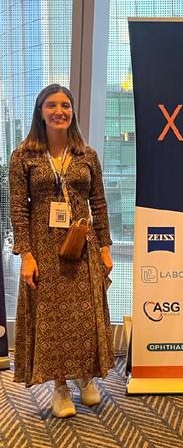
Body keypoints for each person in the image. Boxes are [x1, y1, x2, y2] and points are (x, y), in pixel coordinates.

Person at [9, 84, 114, 418]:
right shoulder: (23, 156)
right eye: (52, 105)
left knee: (85, 316)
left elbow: (99, 202)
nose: (59, 111)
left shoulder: (87, 155)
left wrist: (106, 247)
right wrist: (26, 255)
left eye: (65, 105)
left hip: (83, 246)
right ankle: (60, 387)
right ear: (40, 112)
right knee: (52, 320)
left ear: (72, 112)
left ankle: (86, 378)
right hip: (43, 249)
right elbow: (18, 209)